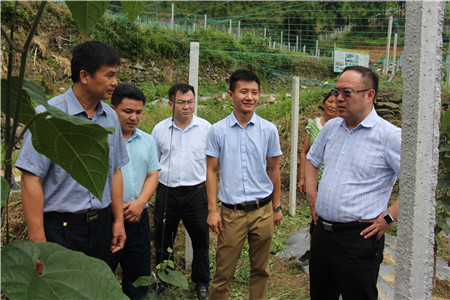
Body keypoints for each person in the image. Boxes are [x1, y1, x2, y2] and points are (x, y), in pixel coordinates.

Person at [15, 41, 129, 268]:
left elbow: (115, 171)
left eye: (116, 75)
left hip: (100, 225)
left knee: (96, 287)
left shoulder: (110, 117)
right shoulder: (48, 116)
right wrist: (38, 244)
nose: (115, 83)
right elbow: (31, 181)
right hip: (61, 228)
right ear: (84, 76)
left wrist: (117, 221)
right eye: (109, 75)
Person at [305, 65, 401, 300]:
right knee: (321, 294)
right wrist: (312, 193)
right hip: (321, 233)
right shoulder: (331, 128)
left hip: (358, 239)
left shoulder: (390, 136)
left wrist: (389, 218)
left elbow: (416, 186)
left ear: (370, 95)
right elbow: (311, 160)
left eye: (346, 92)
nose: (338, 99)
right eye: (336, 91)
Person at [206, 69, 283, 300]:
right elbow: (211, 171)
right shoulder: (217, 130)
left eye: (255, 92)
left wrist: (276, 206)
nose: (250, 97)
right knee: (223, 272)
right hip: (232, 214)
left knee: (261, 270)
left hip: (263, 211)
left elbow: (275, 169)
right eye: (244, 91)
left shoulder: (268, 129)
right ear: (231, 95)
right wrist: (212, 210)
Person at [151, 83, 211, 300]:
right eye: (181, 102)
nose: (187, 107)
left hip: (197, 193)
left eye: (190, 102)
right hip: (167, 193)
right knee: (163, 237)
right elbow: (154, 163)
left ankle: (202, 281)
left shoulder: (206, 128)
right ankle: (163, 277)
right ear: (170, 104)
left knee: (201, 239)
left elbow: (212, 165)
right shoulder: (159, 130)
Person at [109, 84, 160, 300]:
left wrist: (140, 202)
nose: (134, 117)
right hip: (109, 218)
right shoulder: (104, 139)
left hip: (138, 217)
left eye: (138, 112)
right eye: (127, 111)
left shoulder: (147, 140)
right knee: (103, 272)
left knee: (138, 276)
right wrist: (116, 208)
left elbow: (152, 174)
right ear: (113, 110)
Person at [296, 91, 337, 266]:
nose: (333, 105)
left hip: (333, 181)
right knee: (315, 215)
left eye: (336, 102)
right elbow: (305, 152)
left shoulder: (342, 126)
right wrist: (302, 177)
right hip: (315, 180)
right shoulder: (313, 125)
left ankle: (331, 252)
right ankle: (314, 251)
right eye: (329, 101)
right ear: (323, 103)